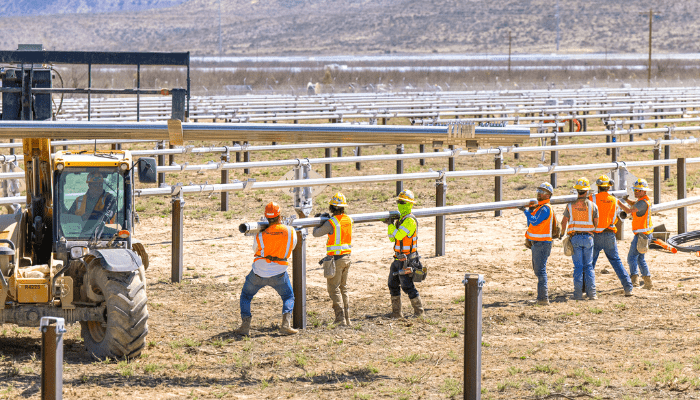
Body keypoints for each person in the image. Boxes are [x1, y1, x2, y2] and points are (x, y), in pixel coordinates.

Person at [234, 202, 298, 336]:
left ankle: (245, 326)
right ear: (279, 216)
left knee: (246, 296)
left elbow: (255, 249)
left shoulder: (260, 235)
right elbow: (292, 247)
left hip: (258, 272)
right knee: (288, 296)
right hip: (279, 272)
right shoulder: (291, 231)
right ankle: (286, 325)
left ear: (266, 218)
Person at [312, 192, 353, 326]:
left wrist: (318, 222)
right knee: (343, 288)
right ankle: (347, 318)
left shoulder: (332, 222)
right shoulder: (349, 219)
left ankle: (340, 319)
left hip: (336, 260)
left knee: (333, 288)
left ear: (331, 208)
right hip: (347, 258)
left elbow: (316, 233)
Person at [589, 175, 634, 296]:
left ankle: (587, 289)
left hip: (595, 235)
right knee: (616, 261)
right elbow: (629, 210)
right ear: (609, 187)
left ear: (598, 186)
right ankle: (628, 287)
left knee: (590, 263)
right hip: (610, 235)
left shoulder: (591, 198)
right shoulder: (614, 200)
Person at [384, 189, 424, 318]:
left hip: (408, 260)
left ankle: (419, 312)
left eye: (403, 202)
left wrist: (390, 225)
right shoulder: (401, 219)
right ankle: (396, 313)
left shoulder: (410, 221)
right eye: (399, 202)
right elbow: (392, 238)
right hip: (398, 259)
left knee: (407, 286)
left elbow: (399, 236)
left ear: (410, 204)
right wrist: (391, 225)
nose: (400, 204)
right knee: (392, 283)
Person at [560, 178, 599, 300]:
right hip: (588, 238)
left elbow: (564, 222)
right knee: (588, 266)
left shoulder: (570, 206)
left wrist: (562, 234)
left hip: (575, 238)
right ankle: (592, 294)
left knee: (578, 267)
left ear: (577, 191)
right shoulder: (593, 206)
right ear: (587, 192)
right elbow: (596, 223)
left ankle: (577, 294)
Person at [521, 182, 555, 306]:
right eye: (538, 191)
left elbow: (534, 222)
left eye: (542, 192)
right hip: (538, 243)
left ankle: (543, 299)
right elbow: (530, 223)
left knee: (540, 271)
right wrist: (530, 211)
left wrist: (525, 211)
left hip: (542, 244)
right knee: (538, 271)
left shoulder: (545, 208)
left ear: (548, 195)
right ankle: (542, 298)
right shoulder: (540, 208)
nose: (539, 194)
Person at [619, 178, 654, 290]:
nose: (636, 192)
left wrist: (618, 203)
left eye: (638, 190)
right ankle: (647, 282)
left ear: (644, 191)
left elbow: (630, 211)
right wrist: (628, 201)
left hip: (641, 235)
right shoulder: (644, 200)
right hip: (645, 234)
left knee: (631, 257)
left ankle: (634, 280)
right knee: (640, 258)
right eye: (635, 190)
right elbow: (635, 204)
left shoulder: (643, 203)